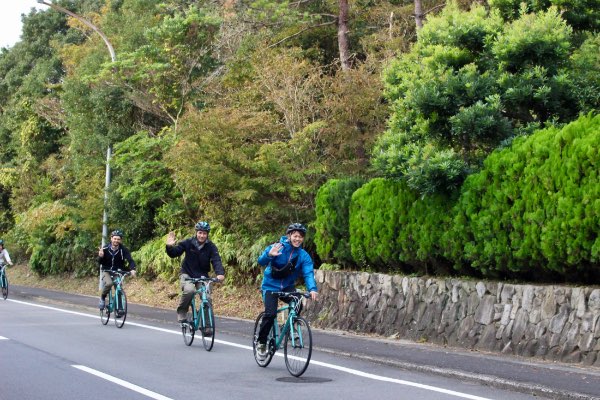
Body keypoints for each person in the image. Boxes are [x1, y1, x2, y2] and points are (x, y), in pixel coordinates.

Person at [255, 223, 318, 360]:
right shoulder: (277, 247)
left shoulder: (303, 255)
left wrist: (312, 289)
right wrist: (269, 255)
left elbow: (308, 273)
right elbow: (260, 261)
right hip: (270, 286)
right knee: (270, 314)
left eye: (300, 237)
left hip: (287, 286)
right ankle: (261, 342)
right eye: (295, 236)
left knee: (297, 302)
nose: (298, 239)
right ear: (289, 236)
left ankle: (290, 326)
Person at [166, 221, 225, 324]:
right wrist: (169, 247)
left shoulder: (211, 246)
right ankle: (182, 311)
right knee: (189, 290)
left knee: (207, 298)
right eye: (200, 233)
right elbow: (174, 253)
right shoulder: (188, 242)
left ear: (207, 234)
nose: (202, 235)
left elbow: (216, 260)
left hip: (202, 276)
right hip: (187, 274)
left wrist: (220, 273)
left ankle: (206, 325)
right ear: (196, 232)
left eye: (204, 233)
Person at [98, 229, 136, 309]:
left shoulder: (123, 250)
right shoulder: (105, 249)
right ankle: (102, 298)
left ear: (120, 240)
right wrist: (100, 256)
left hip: (117, 271)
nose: (116, 240)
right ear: (111, 238)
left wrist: (133, 269)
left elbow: (130, 260)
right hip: (106, 270)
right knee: (109, 283)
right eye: (115, 238)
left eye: (118, 239)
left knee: (118, 287)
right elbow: (100, 262)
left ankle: (119, 309)